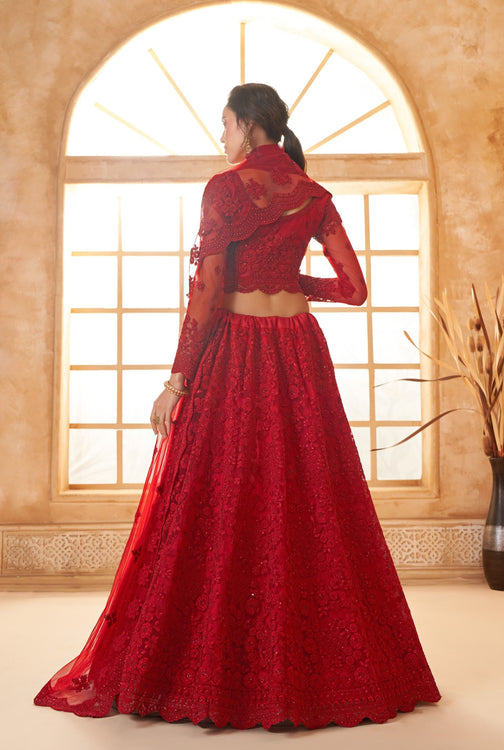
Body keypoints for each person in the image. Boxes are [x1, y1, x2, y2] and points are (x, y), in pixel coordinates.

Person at [34, 83, 440, 729]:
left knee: (221, 496)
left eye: (224, 123)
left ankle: (214, 673)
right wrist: (289, 279)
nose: (220, 136)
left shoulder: (225, 189)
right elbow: (354, 289)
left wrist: (176, 381)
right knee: (308, 497)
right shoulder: (314, 195)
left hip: (240, 354)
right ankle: (321, 672)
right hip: (298, 351)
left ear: (249, 125)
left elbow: (208, 289)